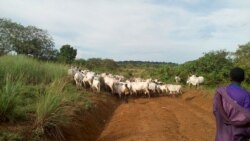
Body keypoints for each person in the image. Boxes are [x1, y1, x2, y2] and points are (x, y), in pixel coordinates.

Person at [213, 67, 250, 141]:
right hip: (239, 136)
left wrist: (227, 122)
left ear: (230, 77)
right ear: (243, 79)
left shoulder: (220, 92)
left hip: (222, 135)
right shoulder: (247, 95)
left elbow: (215, 111)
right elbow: (248, 118)